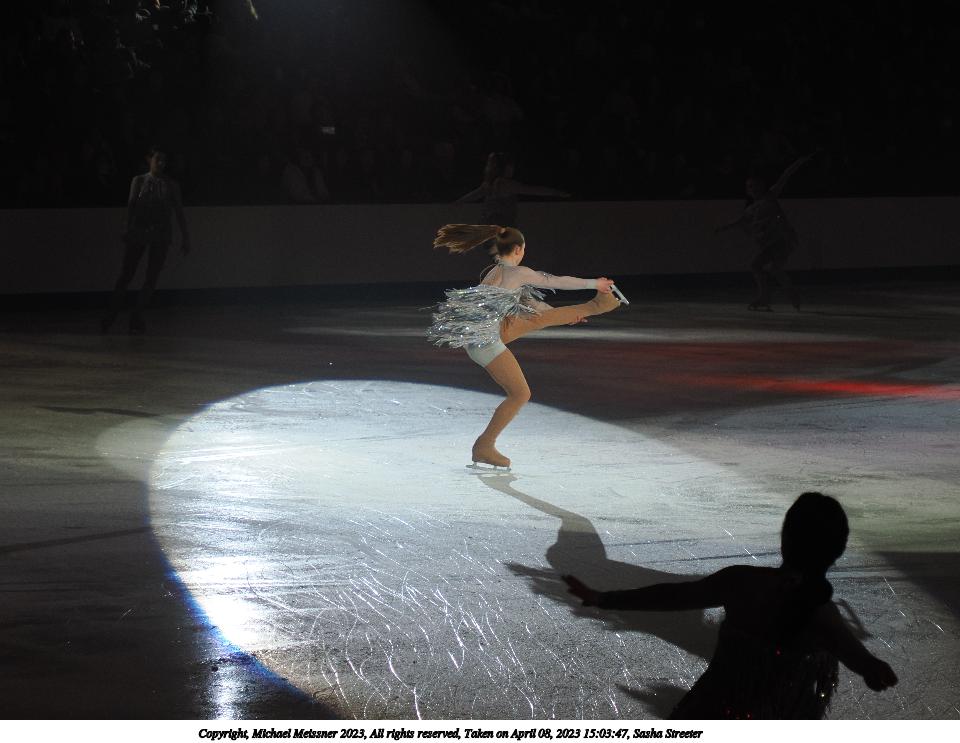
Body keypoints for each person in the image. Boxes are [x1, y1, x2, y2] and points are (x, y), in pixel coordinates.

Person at [564, 492, 898, 719]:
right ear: (837, 551)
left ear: (785, 538)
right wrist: (874, 670)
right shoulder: (824, 615)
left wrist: (604, 598)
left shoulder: (742, 582)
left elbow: (672, 596)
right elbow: (862, 662)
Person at [428, 224, 621, 468]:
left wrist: (564, 315)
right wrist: (595, 283)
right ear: (518, 249)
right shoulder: (518, 273)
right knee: (520, 394)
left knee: (538, 319)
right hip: (485, 342)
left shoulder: (496, 271)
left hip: (486, 334)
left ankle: (595, 306)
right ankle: (484, 446)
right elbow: (556, 281)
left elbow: (532, 307)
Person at [102, 147, 190, 334]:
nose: (161, 164)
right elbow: (131, 206)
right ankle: (112, 313)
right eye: (158, 160)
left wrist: (185, 236)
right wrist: (127, 227)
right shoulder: (140, 181)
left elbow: (179, 212)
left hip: (160, 232)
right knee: (127, 274)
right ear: (149, 160)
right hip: (141, 230)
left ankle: (135, 315)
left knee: (150, 276)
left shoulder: (171, 185)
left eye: (163, 161)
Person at [715, 153, 815, 311]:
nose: (753, 189)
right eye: (750, 187)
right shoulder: (751, 209)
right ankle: (766, 297)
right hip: (770, 244)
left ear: (762, 186)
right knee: (757, 266)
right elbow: (739, 222)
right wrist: (722, 228)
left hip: (782, 240)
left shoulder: (770, 196)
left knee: (772, 268)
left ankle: (784, 294)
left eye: (755, 186)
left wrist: (800, 161)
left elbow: (785, 175)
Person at [457, 152, 570, 228]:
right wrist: (555, 192)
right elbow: (531, 190)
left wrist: (458, 202)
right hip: (502, 228)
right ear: (505, 167)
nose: (513, 169)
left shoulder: (488, 185)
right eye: (511, 166)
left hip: (490, 227)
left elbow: (473, 195)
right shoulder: (504, 184)